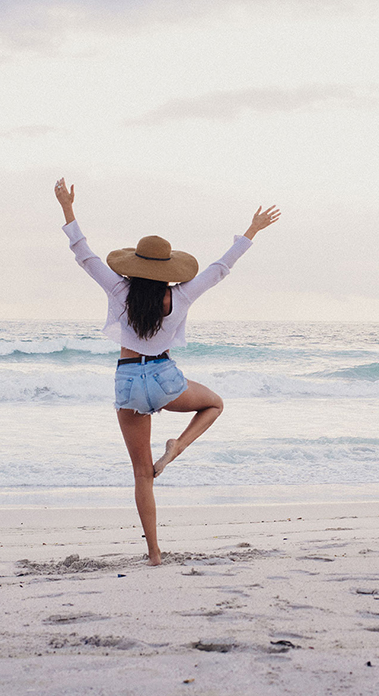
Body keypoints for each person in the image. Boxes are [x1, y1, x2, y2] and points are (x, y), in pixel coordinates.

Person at [54, 177, 280, 566]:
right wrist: (252, 230)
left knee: (142, 475)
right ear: (168, 268)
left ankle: (155, 554)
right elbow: (220, 267)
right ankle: (177, 446)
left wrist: (67, 208)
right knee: (214, 405)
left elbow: (84, 254)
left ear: (135, 265)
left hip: (127, 381)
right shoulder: (181, 294)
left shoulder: (119, 290)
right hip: (164, 378)